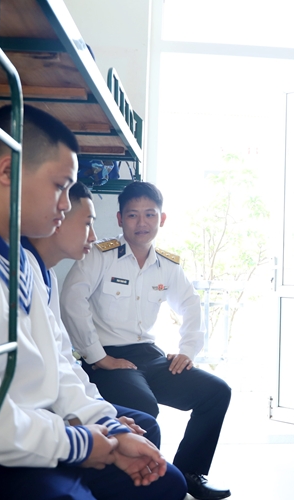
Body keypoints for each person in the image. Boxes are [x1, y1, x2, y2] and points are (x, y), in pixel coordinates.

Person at [0, 105, 186, 500]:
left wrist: (110, 429)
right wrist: (79, 443)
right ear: (7, 172)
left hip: (18, 437)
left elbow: (59, 365)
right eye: (60, 186)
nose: (66, 204)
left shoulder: (18, 261)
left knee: (165, 482)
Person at [61, 181, 232, 500]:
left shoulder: (167, 265)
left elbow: (191, 304)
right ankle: (143, 484)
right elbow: (73, 299)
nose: (142, 223)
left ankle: (189, 473)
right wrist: (98, 356)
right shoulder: (100, 255)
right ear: (120, 219)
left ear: (161, 219)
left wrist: (187, 350)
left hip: (150, 356)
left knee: (215, 392)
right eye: (133, 215)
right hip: (108, 359)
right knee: (144, 407)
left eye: (150, 215)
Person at [23, 181, 168, 449]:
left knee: (150, 424)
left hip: (141, 355)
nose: (93, 236)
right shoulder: (25, 271)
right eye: (87, 224)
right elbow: (48, 371)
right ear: (57, 218)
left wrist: (102, 416)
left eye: (150, 214)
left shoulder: (47, 274)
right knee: (145, 423)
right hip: (35, 415)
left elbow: (64, 359)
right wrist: (96, 422)